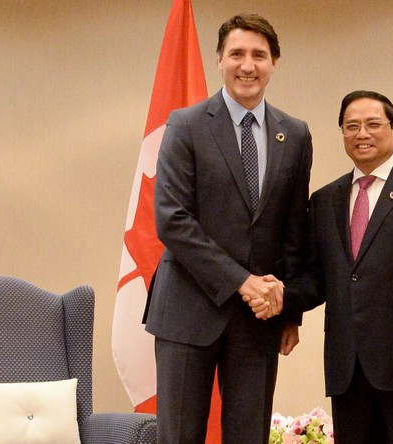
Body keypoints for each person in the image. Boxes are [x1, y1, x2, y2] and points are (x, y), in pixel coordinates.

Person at [255, 90, 393, 442]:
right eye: (351, 126)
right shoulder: (325, 200)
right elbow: (317, 278)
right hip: (348, 371)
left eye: (373, 124)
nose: (361, 134)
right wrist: (282, 301)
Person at [144, 13, 312, 444]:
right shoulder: (186, 124)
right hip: (186, 313)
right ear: (219, 60)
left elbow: (293, 230)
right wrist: (243, 282)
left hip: (257, 322)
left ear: (275, 63)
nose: (247, 65)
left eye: (259, 55)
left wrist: (288, 310)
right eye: (236, 53)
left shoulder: (295, 135)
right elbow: (173, 220)